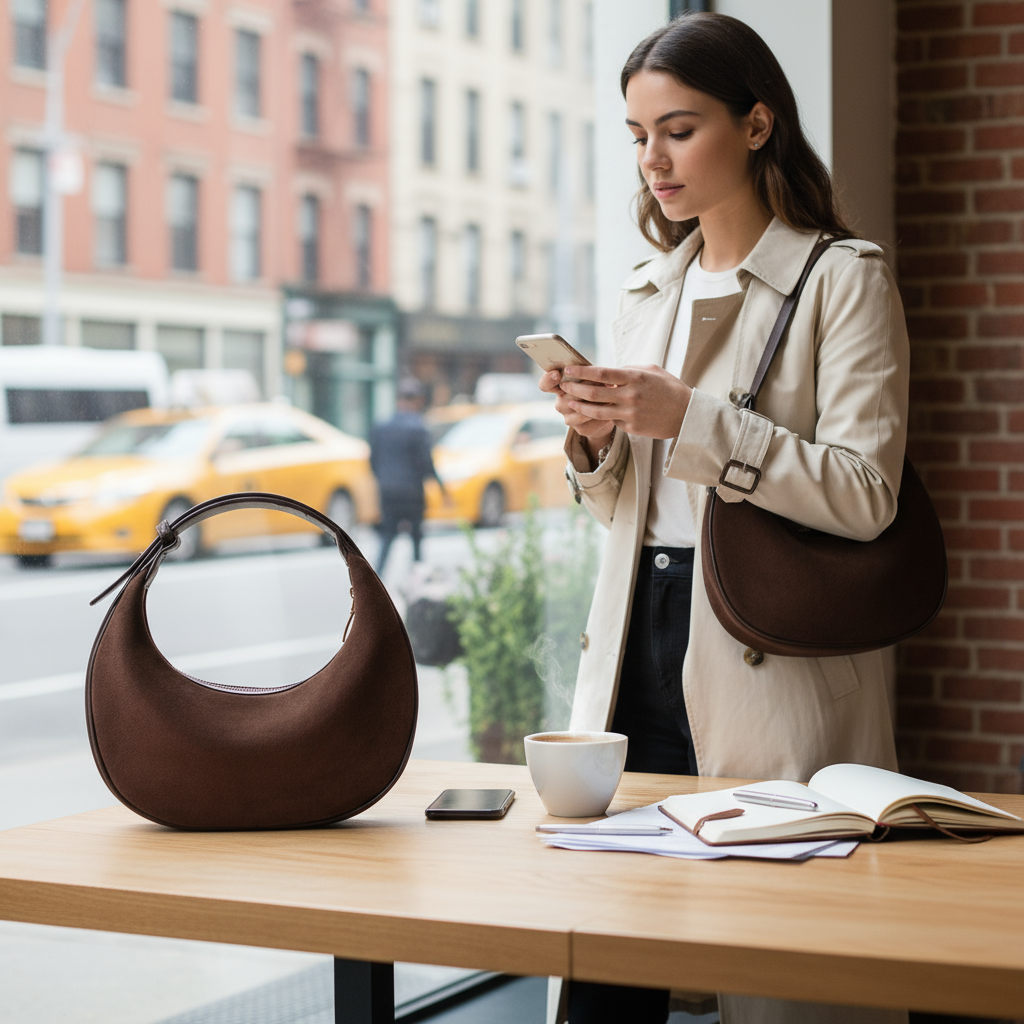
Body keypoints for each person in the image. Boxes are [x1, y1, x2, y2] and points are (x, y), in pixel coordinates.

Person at [541, 14, 909, 1024]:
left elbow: (864, 493)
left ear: (755, 125)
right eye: (636, 134)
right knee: (610, 956)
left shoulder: (843, 278)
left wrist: (693, 420)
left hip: (758, 638)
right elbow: (628, 505)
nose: (653, 159)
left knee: (773, 960)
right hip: (632, 639)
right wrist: (593, 443)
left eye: (678, 128)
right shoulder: (645, 287)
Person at [370, 378, 443, 574]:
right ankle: (416, 585)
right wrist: (441, 487)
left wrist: (384, 481)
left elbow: (373, 461)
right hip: (412, 493)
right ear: (418, 400)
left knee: (386, 538)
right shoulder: (418, 428)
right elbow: (426, 463)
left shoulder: (381, 426)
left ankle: (374, 585)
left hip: (388, 491)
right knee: (417, 540)